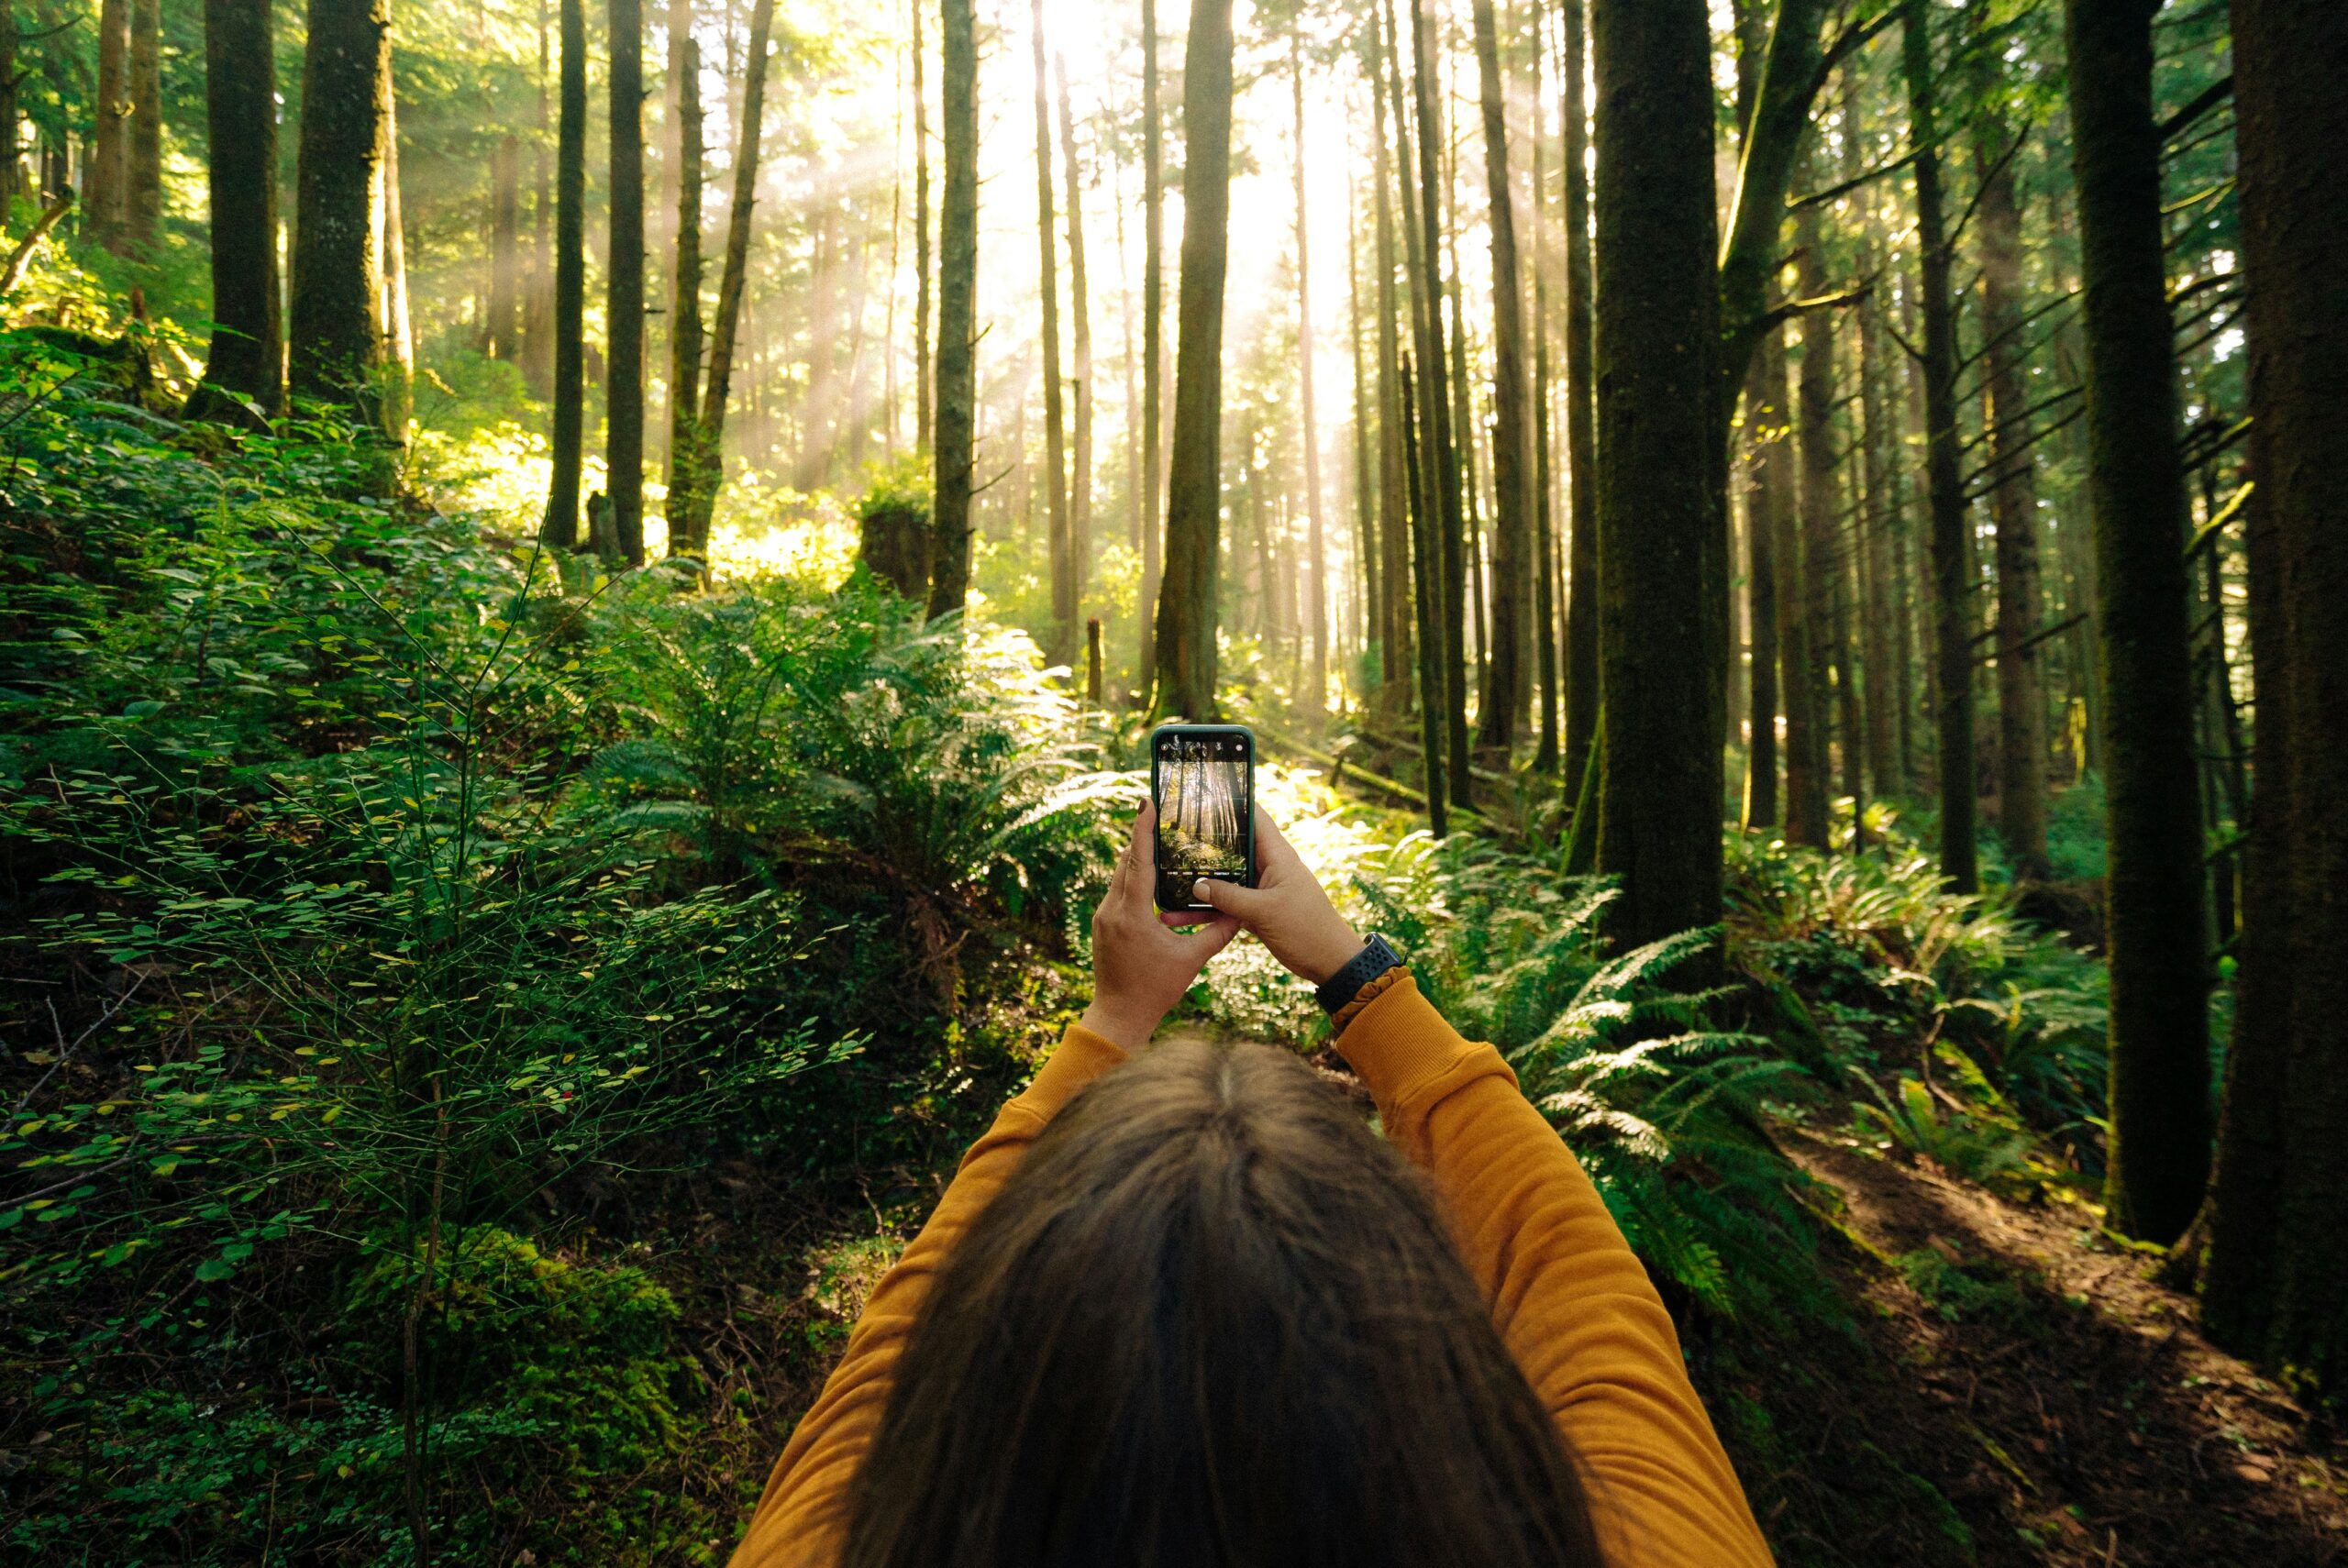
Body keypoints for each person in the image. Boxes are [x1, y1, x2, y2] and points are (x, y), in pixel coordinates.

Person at [729, 806, 1775, 1568]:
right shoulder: (1642, 1539)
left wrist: (1112, 1021)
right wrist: (1352, 971)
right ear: (1439, 1374)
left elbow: (899, 1337)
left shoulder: (845, 1535)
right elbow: (1576, 1280)